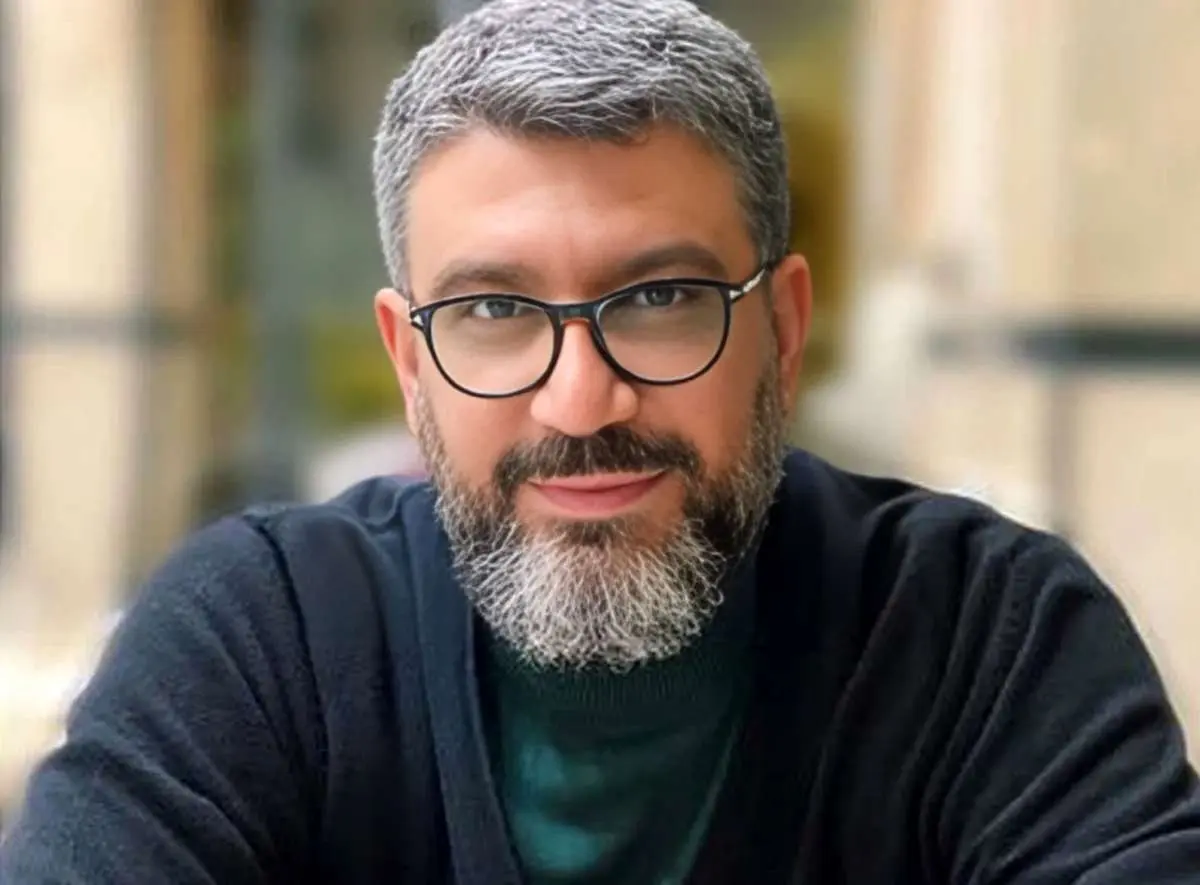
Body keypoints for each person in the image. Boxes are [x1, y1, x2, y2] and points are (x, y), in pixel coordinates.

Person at [3, 1, 1199, 882]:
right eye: (493, 311)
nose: (581, 404)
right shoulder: (262, 641)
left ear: (783, 331)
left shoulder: (984, 637)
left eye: (662, 298)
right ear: (410, 362)